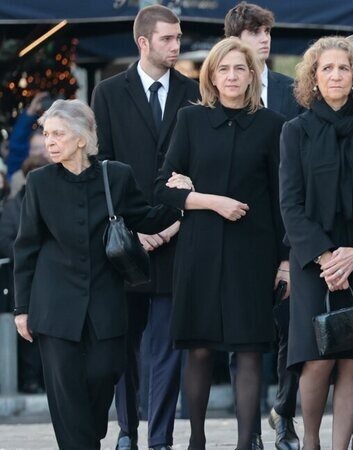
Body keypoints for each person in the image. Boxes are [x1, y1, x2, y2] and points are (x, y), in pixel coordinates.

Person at [13, 99, 182, 450]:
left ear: (81, 138)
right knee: (65, 392)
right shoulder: (39, 182)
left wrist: (180, 198)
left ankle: (85, 439)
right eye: (47, 134)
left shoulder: (116, 175)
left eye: (58, 134)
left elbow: (146, 218)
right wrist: (22, 309)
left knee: (104, 372)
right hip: (53, 307)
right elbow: (26, 247)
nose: (50, 142)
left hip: (106, 303)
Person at [153, 37, 286, 450]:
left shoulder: (272, 124)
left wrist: (284, 259)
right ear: (211, 75)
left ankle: (247, 443)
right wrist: (211, 201)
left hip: (253, 251)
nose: (231, 76)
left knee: (249, 350)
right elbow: (162, 186)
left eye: (240, 69)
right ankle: (196, 441)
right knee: (198, 349)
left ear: (252, 76)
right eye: (224, 69)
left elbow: (283, 197)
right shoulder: (191, 121)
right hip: (200, 249)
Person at [90, 6, 200, 450]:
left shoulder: (193, 92)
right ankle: (125, 432)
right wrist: (134, 230)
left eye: (178, 39)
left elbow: (197, 166)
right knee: (124, 343)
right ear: (144, 42)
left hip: (176, 237)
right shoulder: (108, 93)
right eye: (168, 39)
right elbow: (103, 168)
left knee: (168, 348)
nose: (176, 46)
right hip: (126, 242)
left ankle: (160, 437)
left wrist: (172, 224)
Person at [279, 36, 353, 450]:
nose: (336, 75)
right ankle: (310, 441)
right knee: (317, 357)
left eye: (344, 68)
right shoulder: (295, 131)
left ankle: (341, 446)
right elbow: (289, 202)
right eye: (327, 68)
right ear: (313, 77)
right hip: (314, 261)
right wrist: (328, 259)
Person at [223, 4, 299, 448]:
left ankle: (284, 416)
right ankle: (247, 432)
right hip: (237, 230)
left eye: (268, 31)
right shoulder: (218, 90)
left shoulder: (291, 91)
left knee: (292, 331)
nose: (264, 39)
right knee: (244, 338)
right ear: (234, 39)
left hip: (289, 224)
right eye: (254, 32)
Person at [0, 154, 50, 395]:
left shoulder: (56, 203)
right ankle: (31, 380)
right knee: (26, 331)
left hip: (51, 277)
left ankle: (46, 379)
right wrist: (32, 253)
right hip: (23, 279)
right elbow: (6, 240)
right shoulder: (14, 206)